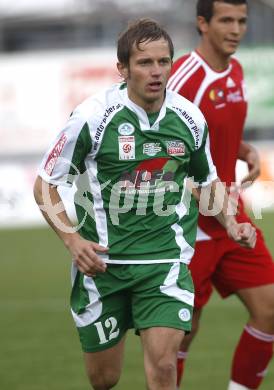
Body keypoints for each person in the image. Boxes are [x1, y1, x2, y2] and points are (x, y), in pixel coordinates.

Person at [33, 18, 256, 390]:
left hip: (164, 264)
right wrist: (73, 242)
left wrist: (232, 223)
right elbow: (46, 185)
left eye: (163, 62)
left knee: (164, 367)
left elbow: (207, 181)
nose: (156, 72)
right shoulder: (92, 117)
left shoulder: (188, 118)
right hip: (103, 268)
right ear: (123, 69)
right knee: (104, 378)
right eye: (145, 63)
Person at [167, 1, 274, 389]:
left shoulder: (237, 70)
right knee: (179, 335)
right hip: (188, 225)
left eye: (242, 21)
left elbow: (210, 133)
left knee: (270, 310)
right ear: (202, 23)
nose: (236, 29)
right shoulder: (183, 79)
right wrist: (207, 199)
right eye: (226, 20)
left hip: (232, 214)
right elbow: (164, 150)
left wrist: (243, 149)